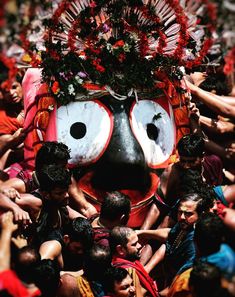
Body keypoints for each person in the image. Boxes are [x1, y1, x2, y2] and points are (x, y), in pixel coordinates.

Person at [110, 226, 159, 297]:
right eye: (134, 244)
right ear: (120, 249)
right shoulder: (127, 271)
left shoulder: (128, 261)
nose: (139, 246)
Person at [0, 211, 41, 297]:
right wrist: (24, 249)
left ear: (13, 266)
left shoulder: (10, 286)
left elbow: (2, 267)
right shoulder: (40, 290)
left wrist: (6, 230)